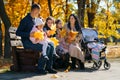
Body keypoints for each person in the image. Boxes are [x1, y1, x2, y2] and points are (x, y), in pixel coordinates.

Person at [16, 4, 57, 75]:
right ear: (33, 10)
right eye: (37, 12)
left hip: (36, 41)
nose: (38, 13)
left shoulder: (35, 19)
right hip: (27, 42)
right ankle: (40, 68)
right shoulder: (25, 20)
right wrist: (29, 34)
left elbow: (39, 29)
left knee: (51, 45)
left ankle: (49, 67)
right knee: (47, 47)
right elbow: (18, 32)